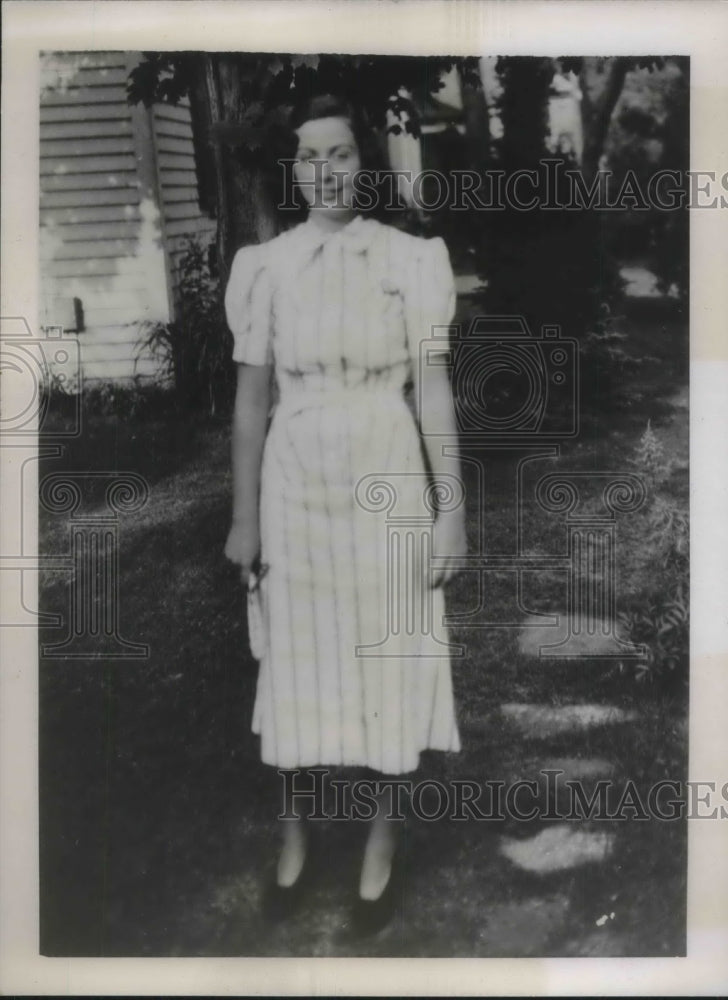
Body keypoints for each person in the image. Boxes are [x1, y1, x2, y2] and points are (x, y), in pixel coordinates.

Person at [224, 93, 467, 936]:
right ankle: (292, 838)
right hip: (296, 482)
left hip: (386, 468)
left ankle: (380, 845)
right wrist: (243, 519)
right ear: (293, 171)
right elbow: (251, 402)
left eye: (343, 154)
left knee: (390, 650)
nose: (327, 170)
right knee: (294, 655)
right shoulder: (267, 268)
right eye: (310, 156)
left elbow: (432, 391)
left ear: (364, 167)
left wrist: (452, 512)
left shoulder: (409, 259)